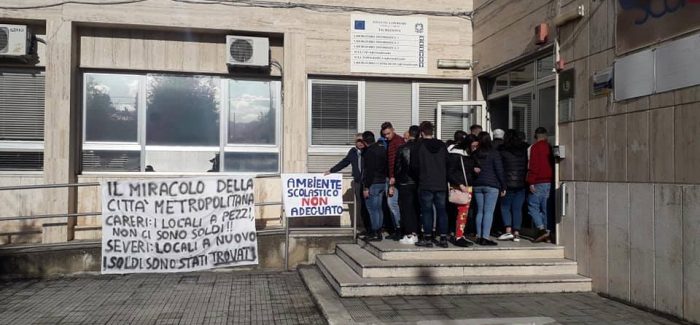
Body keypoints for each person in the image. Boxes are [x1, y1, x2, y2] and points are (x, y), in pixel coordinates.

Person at [325, 133, 370, 235]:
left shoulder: (369, 151)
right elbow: (344, 162)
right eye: (358, 141)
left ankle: (374, 228)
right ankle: (367, 228)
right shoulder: (353, 152)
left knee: (370, 206)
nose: (360, 143)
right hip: (358, 182)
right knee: (361, 206)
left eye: (362, 141)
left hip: (368, 182)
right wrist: (332, 170)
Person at [415, 121, 450, 248]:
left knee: (427, 211)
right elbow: (448, 162)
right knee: (442, 211)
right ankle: (443, 238)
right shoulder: (442, 145)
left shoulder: (419, 146)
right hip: (440, 183)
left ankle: (428, 238)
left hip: (425, 182)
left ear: (422, 132)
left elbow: (415, 165)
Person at [472, 132, 506, 246]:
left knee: (480, 211)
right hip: (492, 185)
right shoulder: (494, 153)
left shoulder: (475, 153)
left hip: (477, 184)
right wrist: (503, 186)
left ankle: (478, 236)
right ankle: (485, 237)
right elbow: (499, 170)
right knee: (488, 212)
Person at [447, 132, 479, 247]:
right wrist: (460, 184)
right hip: (460, 187)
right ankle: (458, 236)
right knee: (462, 213)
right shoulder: (457, 155)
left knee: (462, 213)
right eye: (473, 146)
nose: (475, 148)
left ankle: (458, 234)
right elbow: (450, 172)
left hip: (466, 187)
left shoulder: (469, 155)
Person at [497, 129, 528, 242]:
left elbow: (500, 168)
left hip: (507, 183)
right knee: (517, 208)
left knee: (505, 207)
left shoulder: (503, 150)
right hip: (521, 183)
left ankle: (508, 231)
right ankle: (517, 233)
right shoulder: (524, 149)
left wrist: (502, 184)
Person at [394, 125, 421, 245]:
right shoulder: (421, 148)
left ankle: (409, 234)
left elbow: (398, 167)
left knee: (406, 209)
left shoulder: (402, 148)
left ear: (409, 134)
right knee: (416, 208)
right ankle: (416, 232)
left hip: (405, 182)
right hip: (419, 182)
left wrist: (398, 180)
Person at [527, 127, 554, 243]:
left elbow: (534, 165)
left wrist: (531, 181)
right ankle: (547, 234)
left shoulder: (535, 147)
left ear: (535, 136)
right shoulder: (550, 147)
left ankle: (541, 229)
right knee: (545, 208)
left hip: (538, 181)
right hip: (549, 181)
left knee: (532, 206)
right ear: (546, 135)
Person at [361, 131, 387, 242]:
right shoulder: (381, 148)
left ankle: (375, 232)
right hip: (382, 181)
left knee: (372, 209)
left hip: (373, 183)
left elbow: (369, 171)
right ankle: (379, 230)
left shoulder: (370, 152)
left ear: (365, 141)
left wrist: (366, 187)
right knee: (379, 208)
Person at [381, 122, 405, 241]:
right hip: (391, 177)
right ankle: (396, 228)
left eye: (388, 133)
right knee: (392, 204)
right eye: (385, 134)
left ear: (393, 130)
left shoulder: (398, 142)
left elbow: (397, 163)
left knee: (392, 204)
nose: (386, 136)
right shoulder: (391, 142)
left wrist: (393, 180)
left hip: (394, 179)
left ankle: (399, 228)